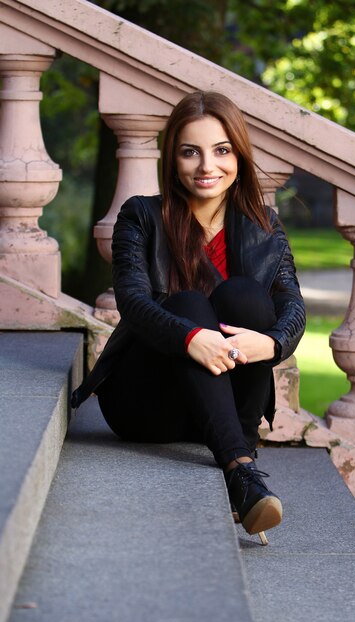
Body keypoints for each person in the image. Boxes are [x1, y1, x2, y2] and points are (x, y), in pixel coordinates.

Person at [72, 91, 305, 540]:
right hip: (148, 402)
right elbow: (134, 302)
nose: (206, 167)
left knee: (247, 297)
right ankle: (242, 468)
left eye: (221, 150)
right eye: (190, 152)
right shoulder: (141, 215)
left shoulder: (265, 226)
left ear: (239, 154)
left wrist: (273, 343)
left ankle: (239, 455)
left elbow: (292, 306)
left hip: (225, 404)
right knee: (187, 305)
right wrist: (188, 336)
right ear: (172, 158)